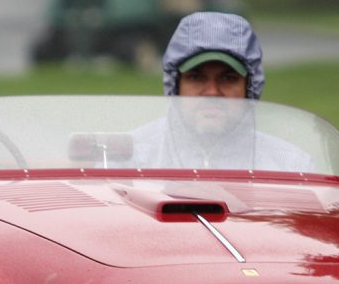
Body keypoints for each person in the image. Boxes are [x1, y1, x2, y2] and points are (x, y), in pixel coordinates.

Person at [129, 11, 311, 171]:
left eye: (228, 78)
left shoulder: (290, 166)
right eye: (196, 77)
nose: (212, 92)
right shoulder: (132, 156)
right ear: (175, 86)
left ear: (250, 88)